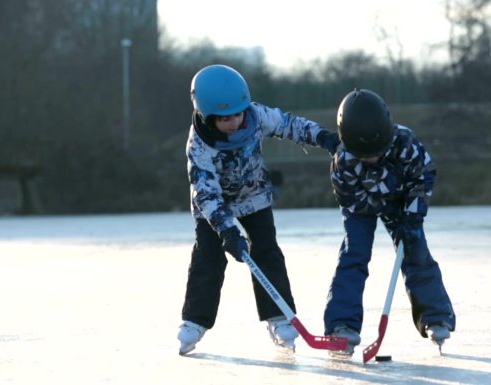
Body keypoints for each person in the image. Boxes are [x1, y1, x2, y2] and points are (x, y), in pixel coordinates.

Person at [178, 64, 339, 355]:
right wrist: (227, 230)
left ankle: (278, 317)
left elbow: (290, 125)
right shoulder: (199, 145)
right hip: (213, 207)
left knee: (266, 252)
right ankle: (194, 321)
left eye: (237, 114)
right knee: (208, 257)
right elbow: (205, 191)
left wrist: (322, 137)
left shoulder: (255, 116)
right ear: (206, 115)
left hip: (254, 197)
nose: (235, 122)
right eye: (225, 118)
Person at [323, 89, 456, 355]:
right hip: (360, 207)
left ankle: (435, 316)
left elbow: (423, 177)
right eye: (365, 155)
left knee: (416, 250)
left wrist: (412, 216)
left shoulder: (406, 142)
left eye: (378, 151)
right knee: (354, 253)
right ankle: (341, 324)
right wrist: (378, 205)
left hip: (402, 203)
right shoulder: (343, 162)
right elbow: (351, 202)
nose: (372, 158)